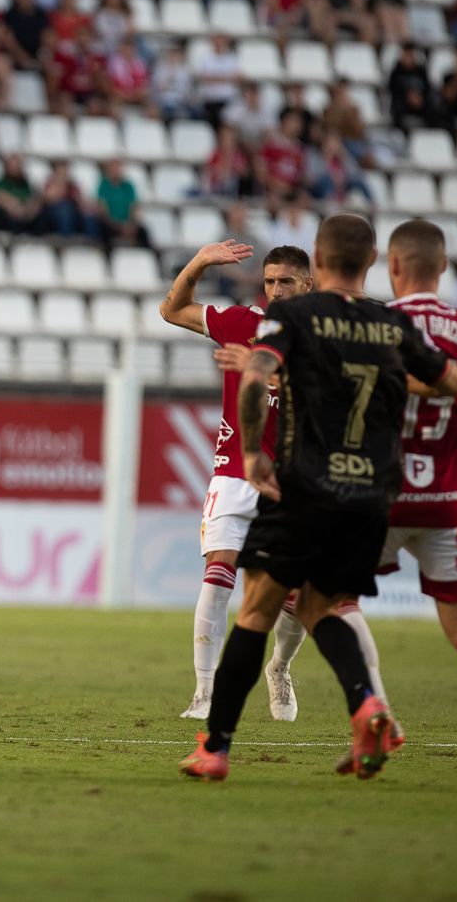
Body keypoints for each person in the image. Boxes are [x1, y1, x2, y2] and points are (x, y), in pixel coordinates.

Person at [180, 214, 457, 782]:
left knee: (258, 611)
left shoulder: (293, 317)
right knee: (321, 605)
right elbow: (454, 383)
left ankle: (215, 747)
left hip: (307, 483)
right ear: (372, 264)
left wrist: (258, 450)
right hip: (369, 492)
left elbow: (258, 371)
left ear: (318, 259)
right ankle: (366, 705)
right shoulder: (390, 326)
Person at [160, 241, 319, 721]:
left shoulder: (323, 338)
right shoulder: (243, 323)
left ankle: (280, 667)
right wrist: (200, 262)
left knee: (295, 595)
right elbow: (172, 310)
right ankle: (204, 693)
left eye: (285, 281)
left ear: (307, 284)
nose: (274, 290)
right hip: (235, 470)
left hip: (295, 478)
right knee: (218, 576)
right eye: (268, 281)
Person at [379, 220, 457, 674]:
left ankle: (369, 704)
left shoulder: (375, 325)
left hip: (380, 496)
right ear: (442, 267)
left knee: (324, 598)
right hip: (448, 499)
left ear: (392, 264)